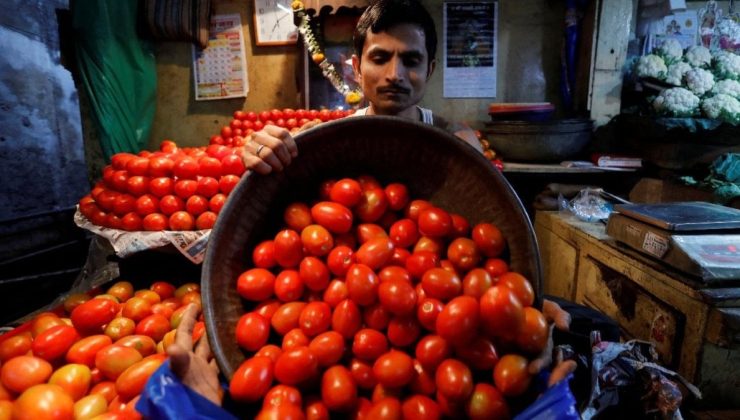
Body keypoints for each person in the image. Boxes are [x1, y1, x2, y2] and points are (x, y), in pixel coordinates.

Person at [165, 0, 577, 411]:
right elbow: (266, 188)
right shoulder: (321, 139)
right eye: (380, 57)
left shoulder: (460, 146)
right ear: (356, 67)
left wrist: (524, 316)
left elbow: (496, 258)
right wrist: (260, 151)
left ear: (429, 69)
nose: (396, 74)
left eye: (411, 60)